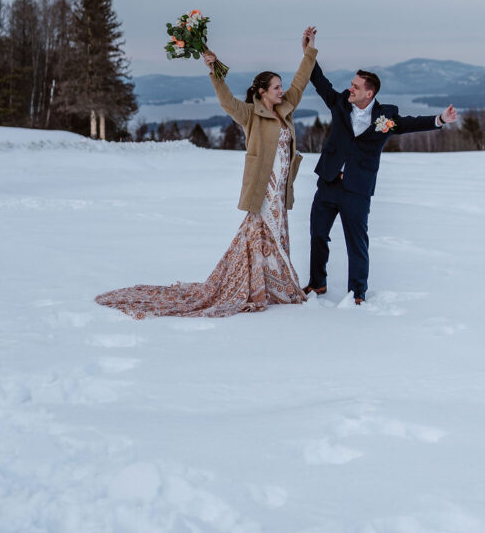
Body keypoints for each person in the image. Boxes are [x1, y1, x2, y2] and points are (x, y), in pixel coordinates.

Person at [95, 28, 318, 319]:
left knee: (274, 236)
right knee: (260, 237)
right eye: (276, 87)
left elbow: (300, 83)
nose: (281, 90)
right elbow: (227, 102)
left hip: (281, 191)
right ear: (262, 92)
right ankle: (261, 288)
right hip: (262, 190)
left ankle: (274, 287)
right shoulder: (251, 115)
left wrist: (308, 53)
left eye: (280, 86)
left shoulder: (285, 108)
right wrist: (214, 69)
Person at [302, 30, 457, 305]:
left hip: (357, 189)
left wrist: (440, 119)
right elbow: (320, 82)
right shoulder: (339, 103)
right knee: (317, 235)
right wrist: (310, 52)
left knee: (357, 243)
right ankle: (317, 284)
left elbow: (410, 124)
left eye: (356, 87)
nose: (350, 89)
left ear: (369, 93)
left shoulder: (386, 116)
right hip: (328, 181)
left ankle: (358, 292)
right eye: (351, 84)